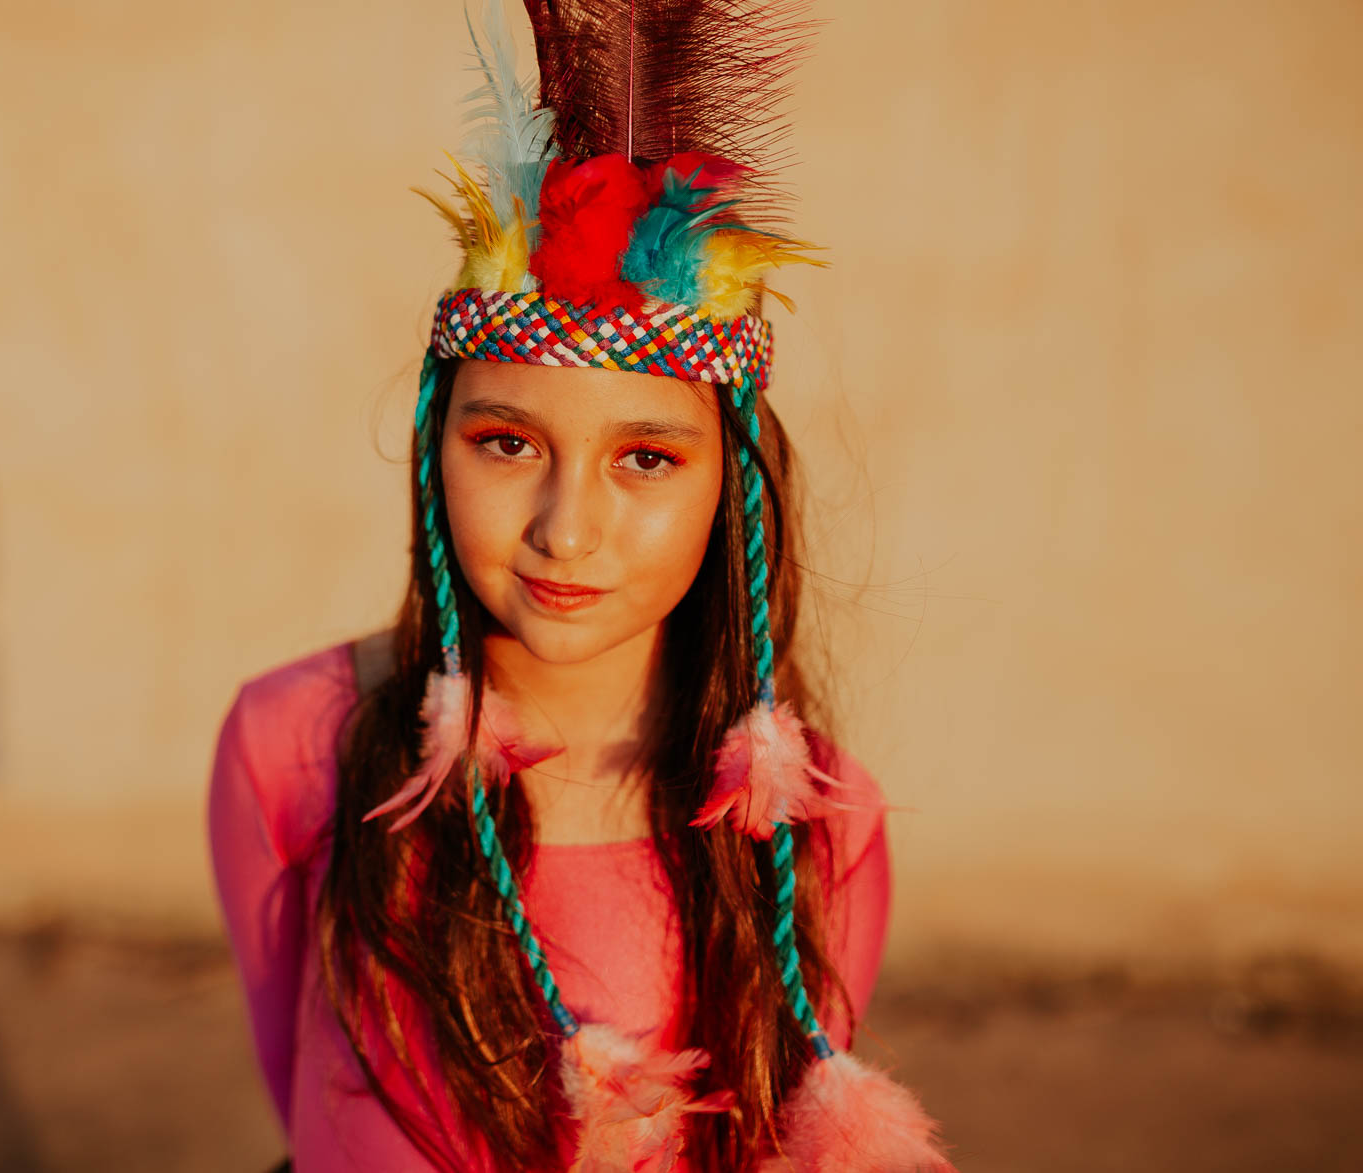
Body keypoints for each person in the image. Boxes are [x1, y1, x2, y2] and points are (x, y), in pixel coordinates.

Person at [208, 4, 954, 1170]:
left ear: (731, 487)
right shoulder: (291, 747)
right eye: (504, 443)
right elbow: (295, 1097)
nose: (565, 529)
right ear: (432, 446)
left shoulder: (811, 829)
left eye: (645, 459)